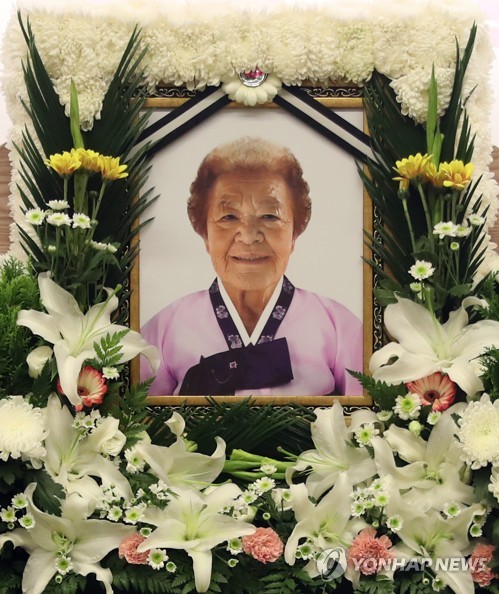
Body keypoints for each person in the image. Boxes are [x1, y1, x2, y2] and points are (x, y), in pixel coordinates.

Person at [140, 137, 363, 396]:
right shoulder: (164, 329)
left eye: (269, 216)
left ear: (294, 232)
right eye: (228, 217)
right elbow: (137, 415)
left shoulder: (338, 326)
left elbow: (365, 414)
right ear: (204, 234)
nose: (248, 236)